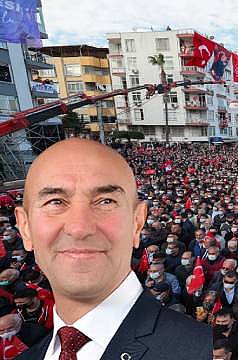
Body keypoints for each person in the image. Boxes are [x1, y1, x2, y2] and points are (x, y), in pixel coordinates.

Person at [13, 139, 212, 359]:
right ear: (25, 227)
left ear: (137, 222)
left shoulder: (202, 349)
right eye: (55, 202)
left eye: (106, 201)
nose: (79, 228)